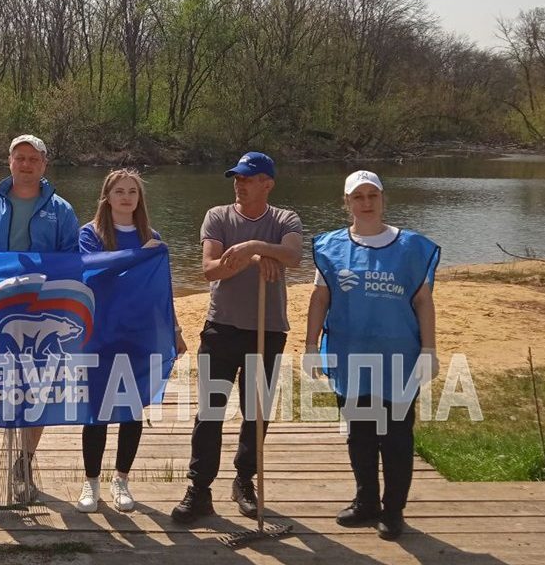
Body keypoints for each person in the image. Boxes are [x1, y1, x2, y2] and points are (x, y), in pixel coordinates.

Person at [305, 170, 439, 541]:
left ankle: (393, 509)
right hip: (350, 357)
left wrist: (429, 348)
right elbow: (321, 298)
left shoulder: (410, 247)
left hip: (399, 357)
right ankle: (366, 502)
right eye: (358, 197)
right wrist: (311, 346)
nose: (366, 203)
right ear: (346, 202)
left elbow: (423, 300)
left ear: (382, 199)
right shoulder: (332, 247)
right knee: (360, 432)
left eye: (372, 196)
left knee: (396, 435)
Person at [171, 152, 302, 525]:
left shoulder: (284, 218)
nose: (239, 183)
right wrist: (258, 257)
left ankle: (244, 480)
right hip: (221, 328)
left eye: (248, 178)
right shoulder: (218, 216)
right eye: (237, 178)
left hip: (268, 329)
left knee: (256, 413)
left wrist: (250, 248)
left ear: (268, 183)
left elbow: (293, 255)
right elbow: (210, 270)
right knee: (209, 412)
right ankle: (199, 489)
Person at [0, 133, 80, 507]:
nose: (25, 164)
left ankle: (23, 466)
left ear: (44, 165)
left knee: (35, 389)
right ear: (9, 162)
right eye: (19, 158)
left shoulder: (62, 210)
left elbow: (73, 260)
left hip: (40, 313)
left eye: (33, 159)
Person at [75, 169, 187, 513]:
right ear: (106, 197)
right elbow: (93, 274)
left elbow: (160, 291)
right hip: (99, 333)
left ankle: (121, 480)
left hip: (138, 334)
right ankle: (90, 482)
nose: (126, 197)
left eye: (133, 192)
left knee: (131, 410)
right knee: (96, 411)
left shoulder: (150, 236)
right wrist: (139, 257)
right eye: (119, 191)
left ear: (139, 200)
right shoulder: (90, 234)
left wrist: (176, 330)